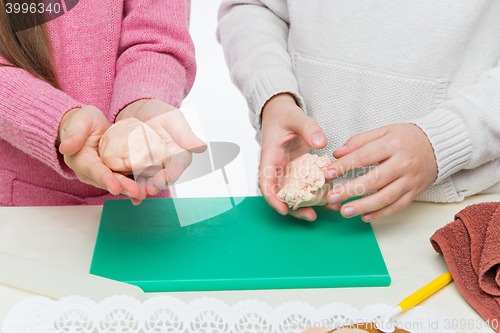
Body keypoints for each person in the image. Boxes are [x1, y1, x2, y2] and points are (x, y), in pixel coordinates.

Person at [217, 0, 500, 222]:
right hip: (296, 214)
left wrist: (444, 141)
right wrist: (274, 95)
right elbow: (252, 7)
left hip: (453, 215)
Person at [0, 0, 205, 206]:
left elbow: (158, 36)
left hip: (142, 203)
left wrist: (142, 99)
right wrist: (61, 119)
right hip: (20, 211)